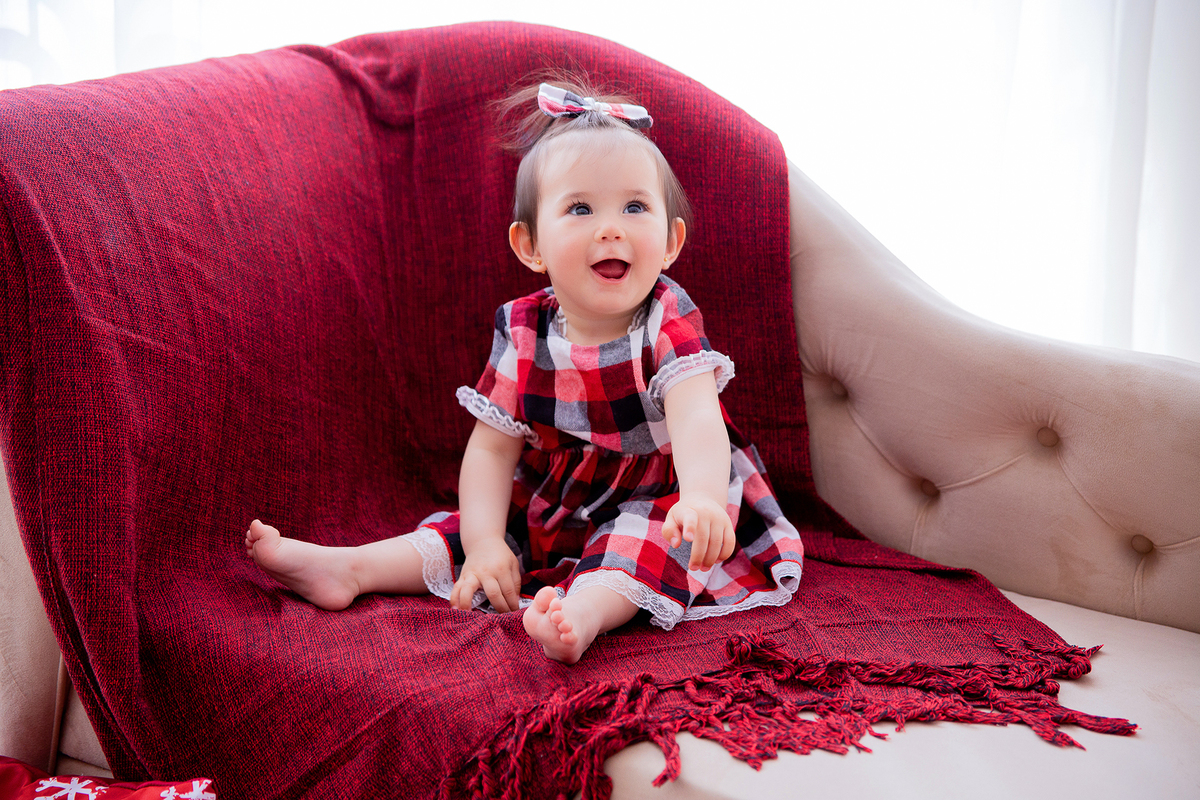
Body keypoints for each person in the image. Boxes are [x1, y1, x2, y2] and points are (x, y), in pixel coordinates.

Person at [245, 78, 804, 664]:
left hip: (666, 491)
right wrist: (486, 542)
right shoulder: (523, 329)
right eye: (581, 208)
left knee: (644, 544)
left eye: (635, 207)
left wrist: (703, 499)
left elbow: (696, 418)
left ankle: (582, 615)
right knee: (473, 533)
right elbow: (491, 450)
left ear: (670, 241)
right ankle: (352, 568)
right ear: (530, 246)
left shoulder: (667, 319)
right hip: (556, 495)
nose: (610, 227)